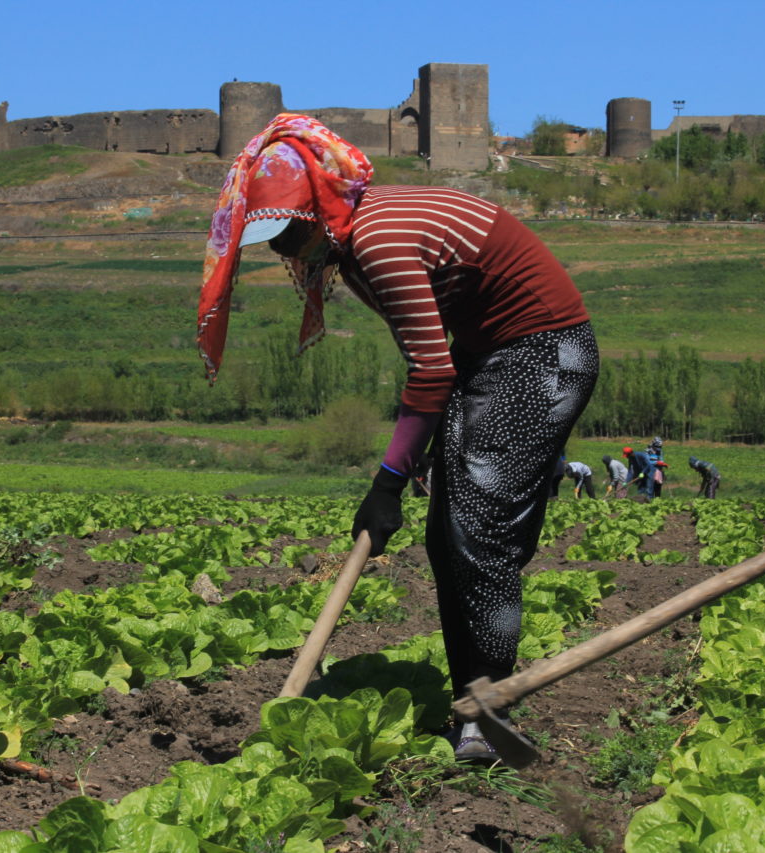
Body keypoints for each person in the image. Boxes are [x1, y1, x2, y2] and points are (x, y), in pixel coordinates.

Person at [197, 114, 599, 763]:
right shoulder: (353, 244)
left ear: (316, 210)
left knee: (478, 529)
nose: (281, 253)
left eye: (288, 234)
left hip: (542, 352)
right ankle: (476, 702)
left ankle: (487, 713)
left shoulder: (376, 239)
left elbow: (431, 369)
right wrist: (413, 464)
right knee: (449, 534)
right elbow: (436, 355)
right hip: (492, 354)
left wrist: (387, 482)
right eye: (269, 241)